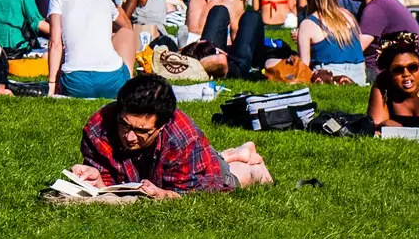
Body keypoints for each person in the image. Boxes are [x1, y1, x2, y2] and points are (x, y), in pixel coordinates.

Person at [67, 74, 272, 197]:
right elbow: (109, 185)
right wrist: (95, 179)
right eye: (124, 125)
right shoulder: (97, 127)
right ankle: (236, 152)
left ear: (162, 126)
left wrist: (163, 194)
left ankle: (252, 166)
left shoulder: (183, 138)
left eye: (142, 132)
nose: (129, 137)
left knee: (233, 178)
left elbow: (185, 194)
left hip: (197, 174)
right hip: (176, 162)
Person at [45, 0, 132, 99]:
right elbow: (127, 27)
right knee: (126, 33)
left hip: (76, 84)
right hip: (113, 82)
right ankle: (129, 84)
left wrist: (52, 83)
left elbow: (55, 43)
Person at [294, 0, 366, 80]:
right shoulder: (348, 16)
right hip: (359, 75)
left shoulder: (308, 23)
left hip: (329, 74)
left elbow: (304, 66)